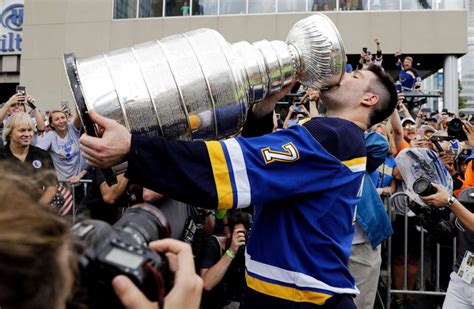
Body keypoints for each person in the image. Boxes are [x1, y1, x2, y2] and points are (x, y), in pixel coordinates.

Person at [80, 64, 398, 307]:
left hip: (303, 297)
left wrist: (133, 148)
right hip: (283, 290)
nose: (342, 74)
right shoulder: (336, 138)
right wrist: (262, 112)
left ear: (369, 99)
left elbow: (230, 167)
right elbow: (267, 173)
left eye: (354, 76)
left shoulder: (334, 136)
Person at [0, 112, 57, 205]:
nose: (27, 134)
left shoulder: (42, 155)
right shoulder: (1, 156)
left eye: (30, 130)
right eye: (22, 130)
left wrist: (37, 209)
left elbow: (51, 186)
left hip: (35, 212)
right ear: (10, 132)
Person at [198, 212, 252, 308]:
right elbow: (206, 283)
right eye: (239, 234)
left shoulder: (248, 249)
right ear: (229, 233)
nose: (242, 238)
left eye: (245, 234)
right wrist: (231, 251)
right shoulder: (213, 245)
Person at [36, 108, 89, 203]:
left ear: (67, 119)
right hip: (63, 186)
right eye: (57, 119)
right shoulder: (50, 136)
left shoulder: (72, 129)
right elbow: (36, 153)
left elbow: (79, 112)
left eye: (63, 117)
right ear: (51, 124)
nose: (61, 121)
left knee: (81, 213)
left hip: (81, 180)